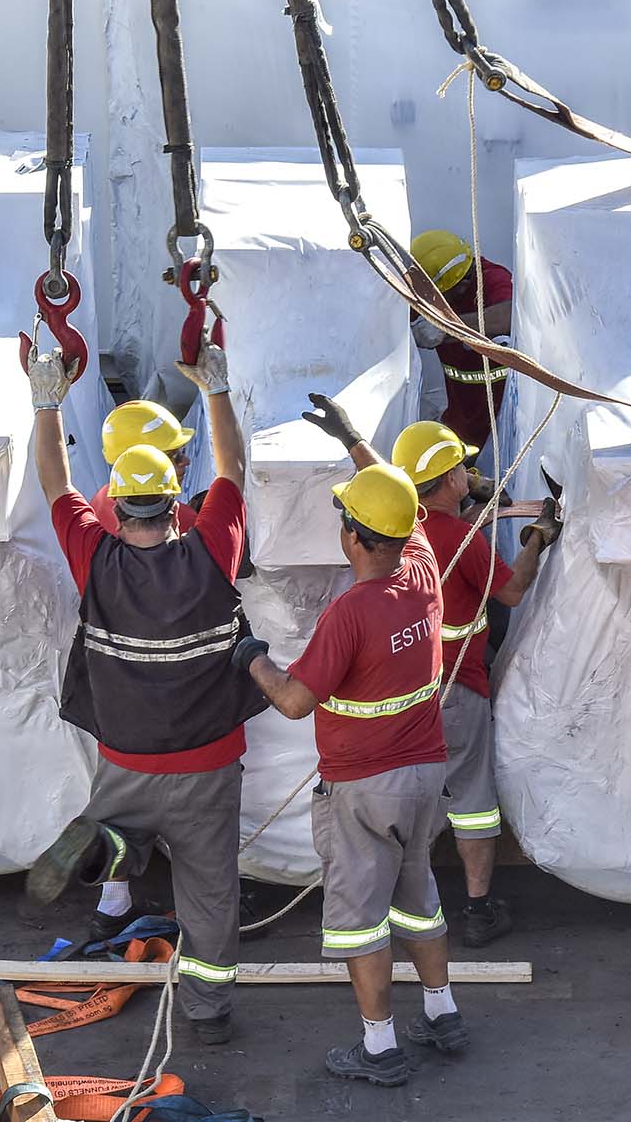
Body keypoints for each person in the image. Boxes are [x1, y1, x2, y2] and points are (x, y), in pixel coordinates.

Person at [21, 339, 262, 1046]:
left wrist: (45, 402)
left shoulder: (93, 556)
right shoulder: (213, 551)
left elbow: (54, 482)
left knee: (128, 826)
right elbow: (233, 470)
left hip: (125, 757)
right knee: (210, 891)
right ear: (175, 501)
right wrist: (216, 389)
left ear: (119, 505)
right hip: (208, 763)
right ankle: (208, 1011)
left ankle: (111, 848)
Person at [239, 393, 462, 1088]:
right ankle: (443, 1013)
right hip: (424, 775)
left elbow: (294, 700)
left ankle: (379, 1048)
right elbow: (403, 512)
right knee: (418, 897)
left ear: (353, 538)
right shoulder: (422, 573)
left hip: (363, 787)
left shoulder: (349, 613)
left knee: (362, 922)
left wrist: (252, 658)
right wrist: (355, 441)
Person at [387, 418, 561, 947]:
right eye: (463, 468)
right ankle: (479, 910)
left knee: (409, 797)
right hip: (456, 690)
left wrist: (471, 506)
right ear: (449, 480)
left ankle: (400, 906)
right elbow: (511, 592)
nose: (470, 472)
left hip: (403, 694)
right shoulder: (463, 539)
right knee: (472, 800)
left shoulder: (395, 527)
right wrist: (537, 538)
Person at [410, 228, 512, 448]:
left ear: (461, 284)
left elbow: (508, 315)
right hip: (460, 419)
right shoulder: (432, 285)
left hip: (501, 417)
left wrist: (447, 328)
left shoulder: (492, 278)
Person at [91, 399, 199, 536]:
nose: (186, 461)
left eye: (182, 452)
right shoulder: (183, 519)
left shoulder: (100, 500)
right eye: (175, 456)